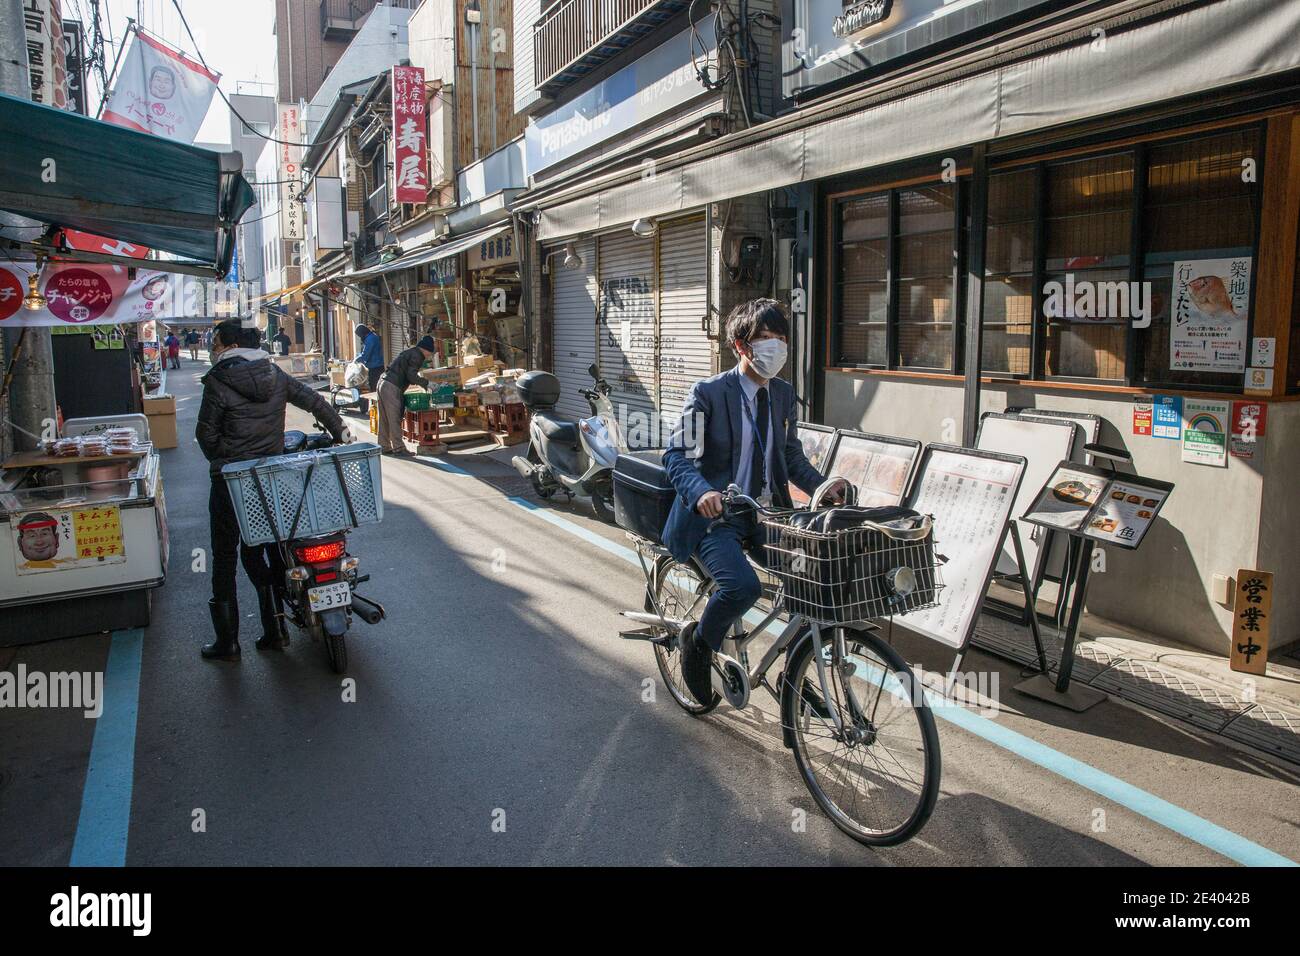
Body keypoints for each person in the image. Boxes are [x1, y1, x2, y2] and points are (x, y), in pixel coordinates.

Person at [662, 299, 844, 703]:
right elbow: (676, 455)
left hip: (766, 513)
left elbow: (791, 457)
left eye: (781, 339)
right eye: (766, 338)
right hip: (715, 517)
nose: (776, 347)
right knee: (741, 587)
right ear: (741, 345)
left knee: (814, 577)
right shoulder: (707, 393)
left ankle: (793, 673)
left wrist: (822, 486)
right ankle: (698, 645)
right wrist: (702, 492)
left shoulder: (781, 394)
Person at [195, 319, 350, 663]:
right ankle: (275, 630)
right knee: (263, 549)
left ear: (228, 345)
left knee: (224, 559)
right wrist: (339, 431)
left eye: (216, 341)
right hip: (270, 480)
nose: (213, 346)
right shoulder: (273, 374)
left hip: (230, 482)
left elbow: (206, 438)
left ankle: (228, 643)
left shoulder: (219, 381)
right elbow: (313, 401)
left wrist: (228, 457)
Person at [376, 335, 436, 456]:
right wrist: (427, 383)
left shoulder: (411, 352)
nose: (429, 356)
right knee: (394, 418)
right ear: (425, 349)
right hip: (392, 386)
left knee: (384, 418)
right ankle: (399, 448)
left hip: (383, 382)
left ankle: (384, 446)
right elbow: (411, 376)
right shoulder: (417, 355)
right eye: (430, 353)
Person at [354, 324, 385, 391]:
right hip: (379, 365)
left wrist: (356, 360)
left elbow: (366, 355)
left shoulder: (369, 339)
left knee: (374, 386)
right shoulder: (373, 336)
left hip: (375, 367)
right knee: (378, 386)